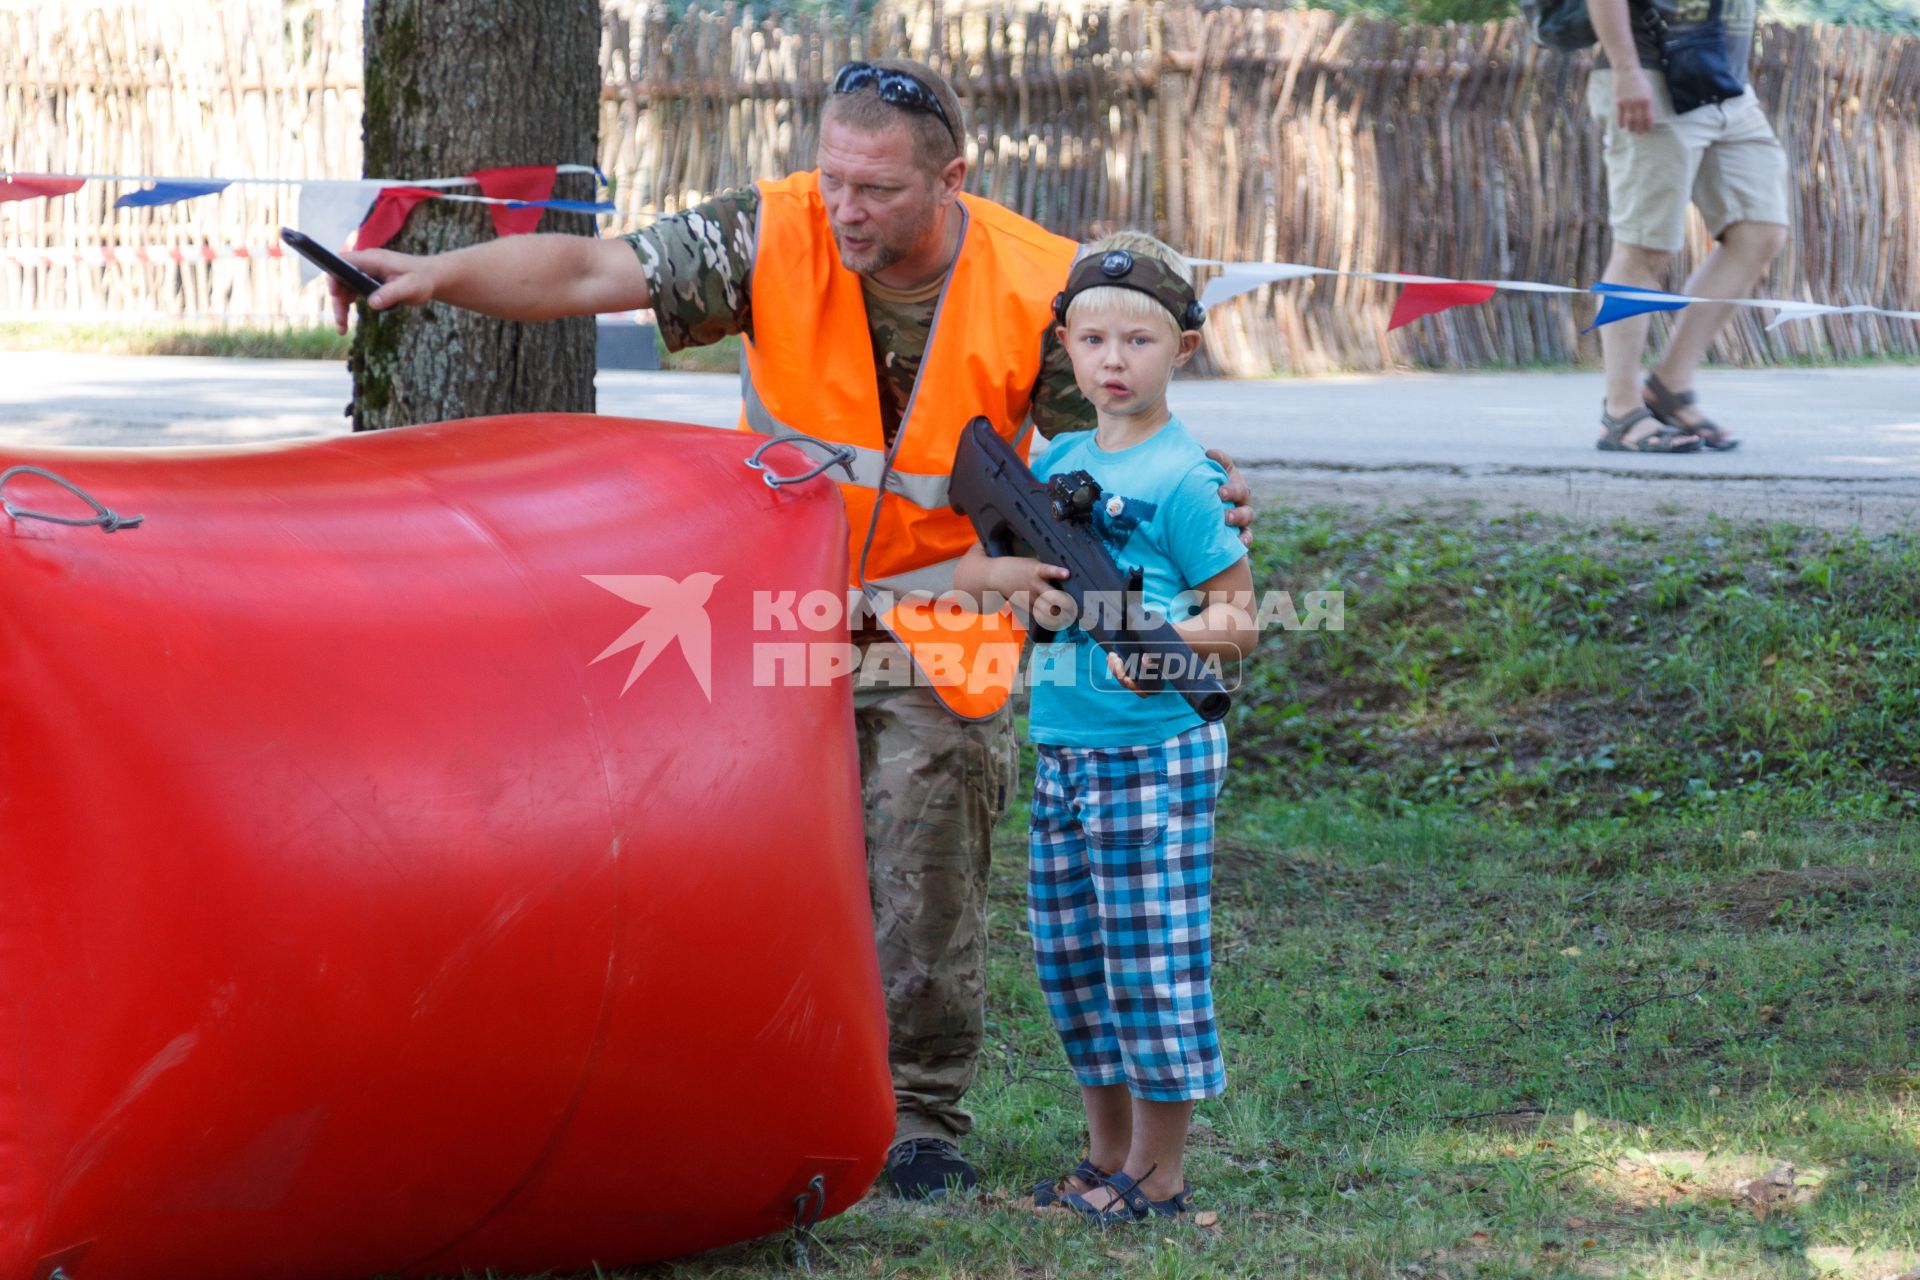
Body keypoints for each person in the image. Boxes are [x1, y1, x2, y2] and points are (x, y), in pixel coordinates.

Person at [326, 58, 1254, 1199]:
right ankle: (742, 1080)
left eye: (876, 188)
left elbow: (1112, 444)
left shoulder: (1035, 282)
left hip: (945, 615)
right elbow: (587, 267)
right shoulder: (768, 232)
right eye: (833, 180)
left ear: (950, 178)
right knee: (736, 863)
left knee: (924, 876)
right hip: (785, 604)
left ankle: (918, 1117)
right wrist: (433, 275)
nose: (846, 210)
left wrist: (1207, 485)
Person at [952, 232, 1257, 1225]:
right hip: (1068, 746)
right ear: (1068, 351)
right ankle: (1104, 1158)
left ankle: (1159, 1175)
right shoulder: (1056, 458)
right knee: (1074, 959)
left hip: (1158, 749)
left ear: (1186, 350)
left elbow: (1242, 618)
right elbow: (990, 580)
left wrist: (1165, 637)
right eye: (1093, 340)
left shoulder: (1190, 477)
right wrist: (1002, 580)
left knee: (1149, 956)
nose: (1114, 360)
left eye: (1138, 339)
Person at [1587, 0, 1790, 453]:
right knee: (1645, 248)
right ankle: (1620, 412)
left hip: (1725, 83)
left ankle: (1668, 387)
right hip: (1650, 76)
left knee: (1761, 232)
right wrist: (1626, 70)